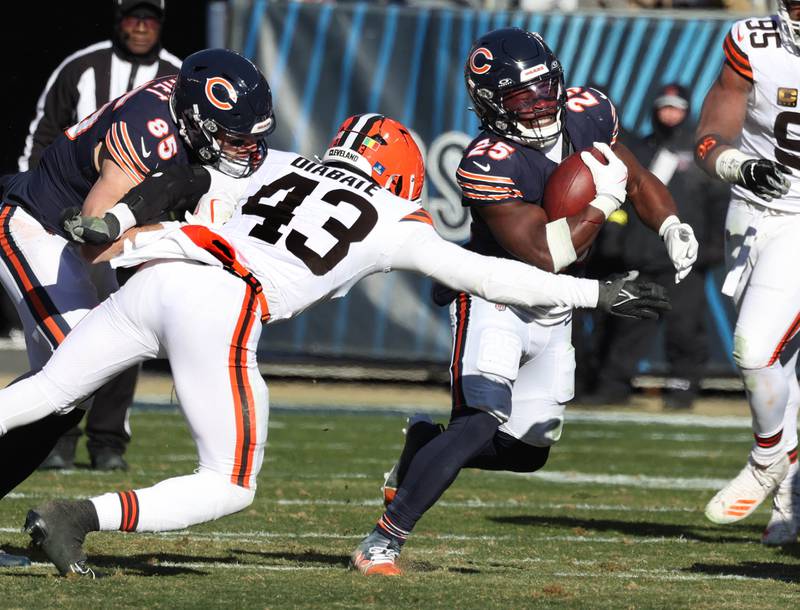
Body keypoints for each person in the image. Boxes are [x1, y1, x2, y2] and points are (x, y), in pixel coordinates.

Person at [0, 113, 668, 578]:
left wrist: (118, 218)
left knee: (49, 391)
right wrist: (597, 295)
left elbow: (193, 178)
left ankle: (72, 515)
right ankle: (76, 517)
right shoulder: (395, 216)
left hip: (161, 268)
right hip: (224, 300)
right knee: (228, 484)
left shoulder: (282, 163)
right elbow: (488, 274)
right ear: (399, 174)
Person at [350, 28, 698, 576]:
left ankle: (421, 449)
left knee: (527, 451)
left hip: (554, 307)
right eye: (520, 98)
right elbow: (543, 254)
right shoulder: (486, 160)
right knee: (479, 421)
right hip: (496, 296)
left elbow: (635, 174)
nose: (538, 106)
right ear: (491, 105)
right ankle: (383, 541)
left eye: (543, 89)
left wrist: (672, 223)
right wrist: (603, 200)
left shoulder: (588, 111)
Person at [0, 48, 274, 567]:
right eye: (233, 136)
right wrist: (180, 234)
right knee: (68, 374)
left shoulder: (189, 116)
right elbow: (95, 241)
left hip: (77, 238)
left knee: (68, 395)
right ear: (196, 120)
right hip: (40, 227)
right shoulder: (147, 134)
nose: (246, 149)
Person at [17, 0, 182, 472]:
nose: (141, 27)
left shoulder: (177, 77)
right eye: (133, 17)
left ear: (161, 25)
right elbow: (43, 132)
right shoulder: (82, 67)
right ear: (118, 20)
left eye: (150, 19)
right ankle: (58, 437)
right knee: (72, 324)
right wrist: (39, 196)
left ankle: (108, 439)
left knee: (126, 325)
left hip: (135, 220)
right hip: (66, 212)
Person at [695, 3, 800, 545]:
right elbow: (711, 136)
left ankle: (767, 462)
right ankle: (790, 505)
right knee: (781, 367)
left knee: (754, 347)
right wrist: (740, 165)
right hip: (750, 216)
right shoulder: (754, 42)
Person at [582, 84, 729, 409]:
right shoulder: (641, 150)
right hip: (641, 258)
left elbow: (719, 203)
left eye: (676, 107)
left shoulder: (699, 153)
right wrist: (616, 240)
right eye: (664, 106)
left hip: (684, 263)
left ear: (687, 109)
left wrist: (714, 248)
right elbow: (622, 201)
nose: (670, 113)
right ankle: (613, 388)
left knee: (685, 330)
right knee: (627, 328)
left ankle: (681, 392)